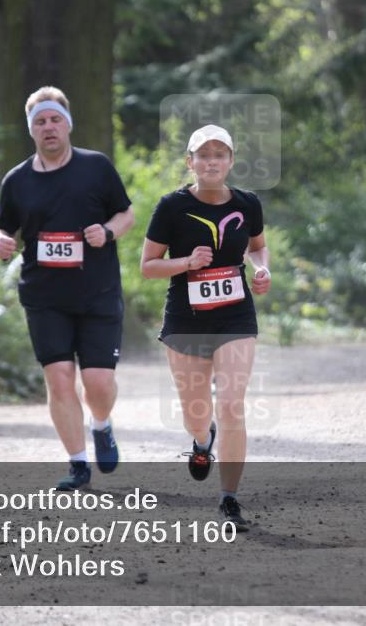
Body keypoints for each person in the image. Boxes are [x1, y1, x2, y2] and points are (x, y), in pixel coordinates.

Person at [0, 86, 135, 490]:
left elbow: (127, 214)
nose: (48, 127)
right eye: (40, 121)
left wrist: (106, 232)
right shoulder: (17, 180)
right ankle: (77, 464)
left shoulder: (96, 167)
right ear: (31, 129)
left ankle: (101, 424)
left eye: (55, 119)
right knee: (58, 378)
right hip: (44, 296)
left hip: (98, 292)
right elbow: (3, 226)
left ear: (67, 124)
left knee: (99, 384)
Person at [140, 124, 271, 531]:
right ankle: (201, 441)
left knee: (232, 404)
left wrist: (263, 268)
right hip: (185, 318)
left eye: (220, 154)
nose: (211, 161)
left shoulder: (248, 203)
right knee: (196, 414)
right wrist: (185, 263)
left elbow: (257, 245)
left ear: (231, 161)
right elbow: (147, 266)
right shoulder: (171, 207)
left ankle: (229, 499)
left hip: (235, 316)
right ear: (190, 162)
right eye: (204, 154)